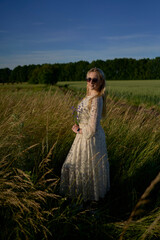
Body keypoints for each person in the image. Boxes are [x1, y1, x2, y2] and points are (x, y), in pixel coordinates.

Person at [60, 67, 110, 201]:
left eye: (95, 79)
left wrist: (78, 130)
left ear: (101, 82)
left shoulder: (97, 99)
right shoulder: (88, 97)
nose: (91, 82)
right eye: (89, 79)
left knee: (87, 169)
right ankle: (80, 199)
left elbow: (92, 127)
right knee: (76, 167)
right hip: (82, 137)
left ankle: (89, 202)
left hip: (89, 138)